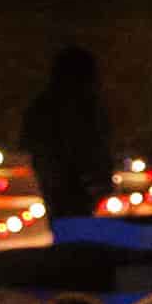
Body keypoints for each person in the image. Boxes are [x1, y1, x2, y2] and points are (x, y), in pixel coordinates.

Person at [21, 44, 114, 227]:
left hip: (61, 182)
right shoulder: (87, 107)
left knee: (67, 225)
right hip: (73, 183)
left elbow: (31, 142)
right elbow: (98, 143)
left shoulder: (45, 105)